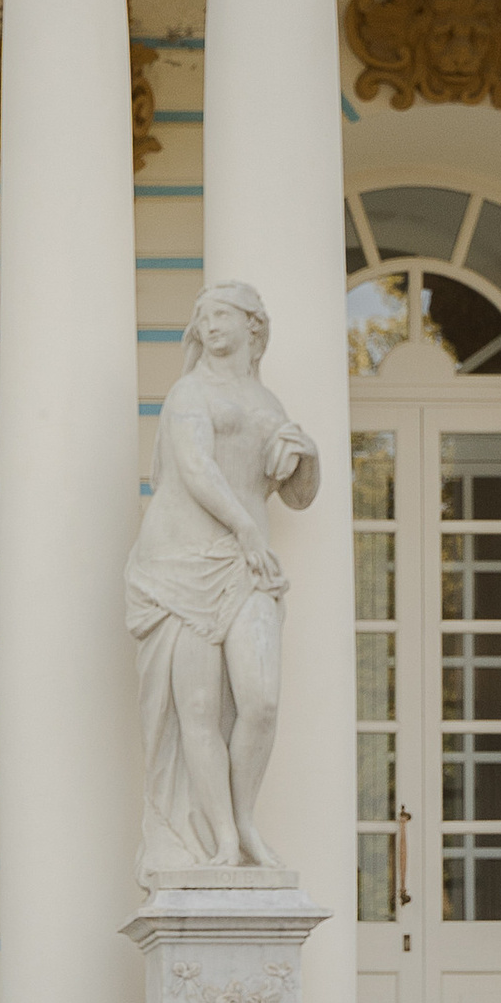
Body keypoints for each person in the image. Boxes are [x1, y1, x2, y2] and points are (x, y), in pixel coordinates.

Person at [125, 277, 319, 884]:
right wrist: (246, 530)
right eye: (202, 316)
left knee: (259, 700)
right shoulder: (189, 392)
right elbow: (196, 467)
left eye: (222, 315)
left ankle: (245, 819)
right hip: (180, 562)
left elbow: (298, 495)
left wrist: (306, 457)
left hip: (245, 563)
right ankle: (224, 840)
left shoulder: (268, 404)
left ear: (251, 327)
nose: (209, 326)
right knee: (199, 711)